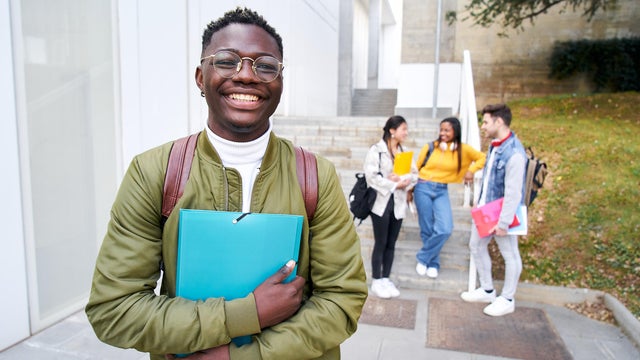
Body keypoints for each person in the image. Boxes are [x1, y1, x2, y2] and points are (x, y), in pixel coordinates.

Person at [85, 8, 367, 360]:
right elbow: (114, 310)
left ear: (280, 82)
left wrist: (238, 357)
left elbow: (342, 300)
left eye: (265, 65)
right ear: (200, 78)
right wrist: (249, 313)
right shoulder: (154, 172)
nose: (247, 75)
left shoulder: (314, 176)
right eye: (227, 61)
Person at [460, 103, 526, 317]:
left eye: (486, 122)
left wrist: (504, 223)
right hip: (485, 211)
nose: (483, 126)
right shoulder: (495, 146)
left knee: (510, 254)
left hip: (501, 214)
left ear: (499, 121)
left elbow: (513, 192)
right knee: (476, 246)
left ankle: (507, 299)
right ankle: (488, 290)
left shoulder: (514, 153)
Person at [414, 117, 486, 278]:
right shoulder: (430, 147)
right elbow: (416, 168)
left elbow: (482, 157)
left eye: (447, 130)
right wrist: (410, 190)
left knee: (445, 228)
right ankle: (433, 263)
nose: (443, 133)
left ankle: (423, 257)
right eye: (441, 130)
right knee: (427, 228)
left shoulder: (463, 149)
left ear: (455, 131)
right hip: (423, 186)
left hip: (441, 190)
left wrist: (471, 170)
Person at [363, 116, 418, 299]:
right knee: (380, 242)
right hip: (381, 203)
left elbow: (415, 175)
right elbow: (371, 177)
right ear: (392, 130)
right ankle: (376, 280)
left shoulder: (403, 153)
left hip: (399, 204)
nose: (406, 133)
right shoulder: (376, 150)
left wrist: (406, 180)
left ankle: (386, 278)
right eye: (403, 129)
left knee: (391, 243)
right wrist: (393, 183)